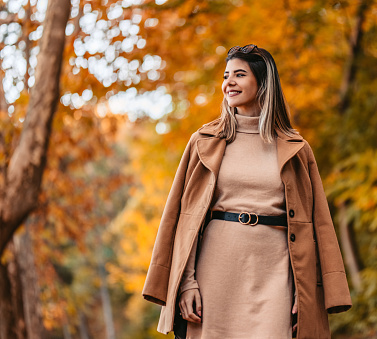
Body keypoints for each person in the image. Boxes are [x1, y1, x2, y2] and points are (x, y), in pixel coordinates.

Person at [142, 44, 352, 339]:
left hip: (276, 271)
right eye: (226, 76)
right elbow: (183, 219)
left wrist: (306, 293)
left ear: (262, 82)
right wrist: (187, 282)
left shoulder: (296, 149)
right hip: (216, 269)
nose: (229, 83)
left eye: (239, 75)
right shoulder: (204, 141)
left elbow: (319, 226)